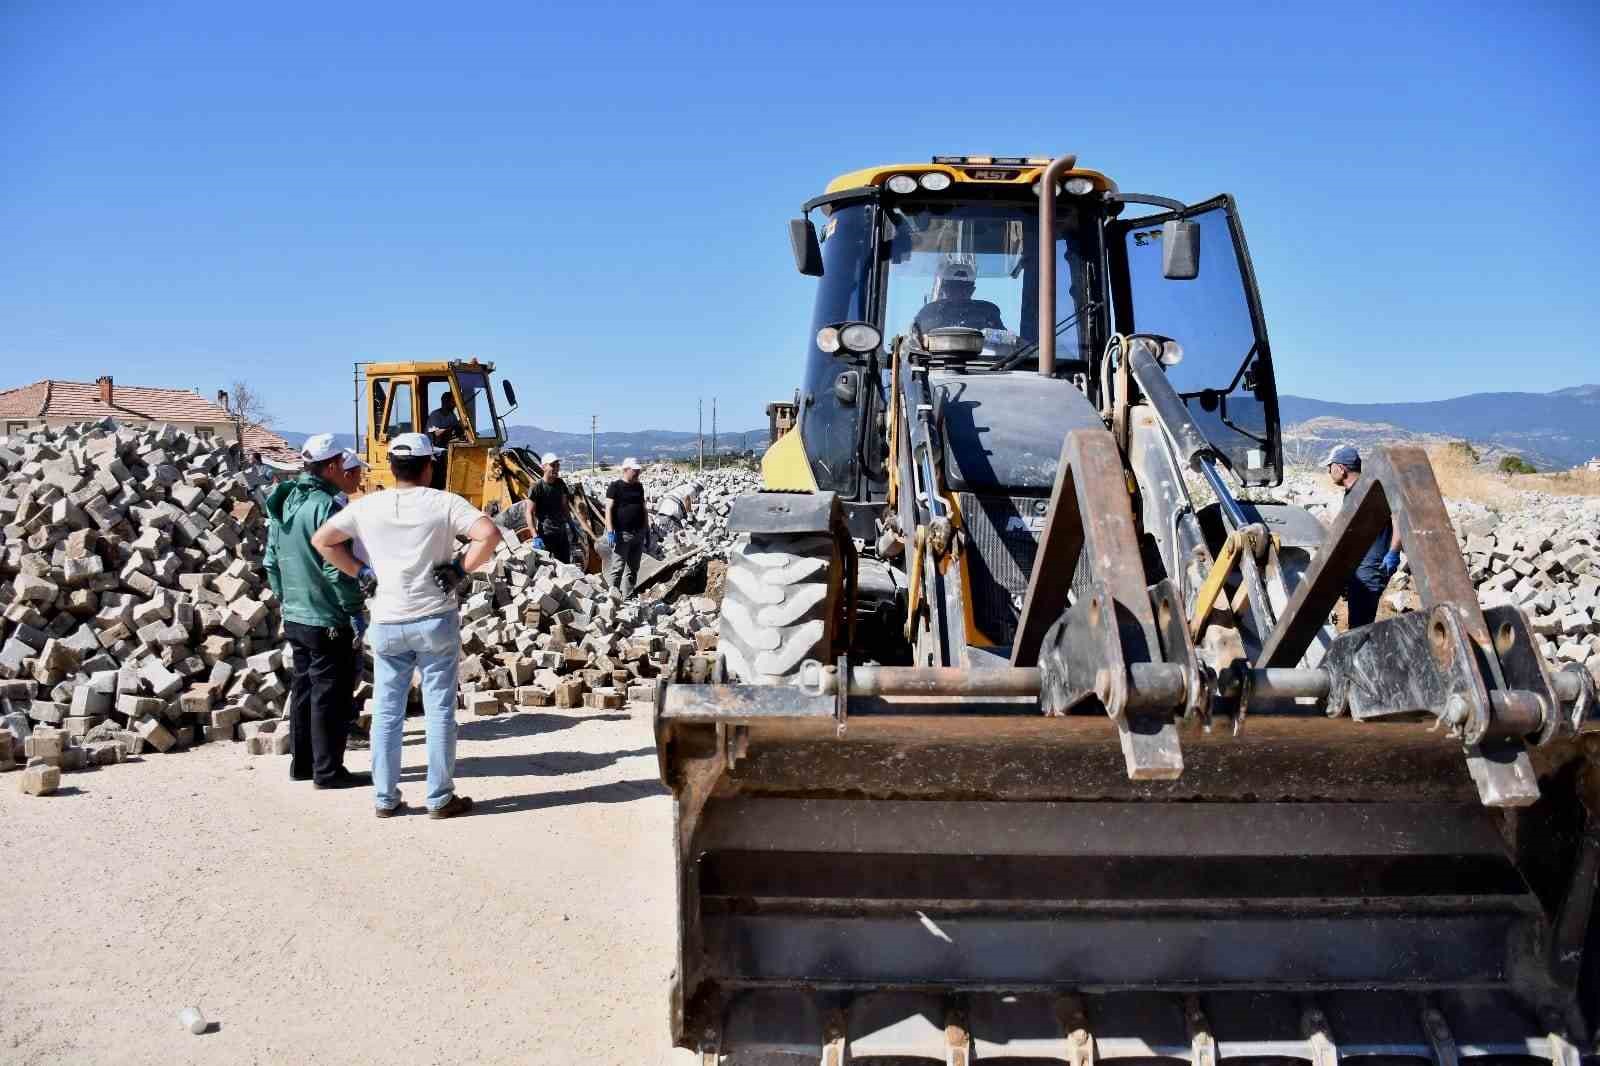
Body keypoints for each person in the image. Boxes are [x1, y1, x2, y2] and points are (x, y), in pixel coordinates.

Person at [311, 432, 502, 819]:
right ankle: (440, 797)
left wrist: (359, 571)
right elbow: (490, 534)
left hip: (387, 620)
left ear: (393, 467)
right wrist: (460, 568)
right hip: (434, 618)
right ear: (429, 465)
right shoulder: (445, 503)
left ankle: (385, 798)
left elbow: (323, 540)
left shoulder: (368, 506)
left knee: (386, 711)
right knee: (439, 711)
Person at [264, 432, 371, 789]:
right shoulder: (327, 508)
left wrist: (287, 600)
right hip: (327, 616)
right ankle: (328, 771)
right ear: (329, 466)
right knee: (331, 693)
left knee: (305, 689)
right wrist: (354, 607)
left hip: (296, 613)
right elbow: (335, 568)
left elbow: (271, 561)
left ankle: (303, 764)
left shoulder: (285, 502)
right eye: (341, 463)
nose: (345, 468)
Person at [1327, 444, 1402, 629]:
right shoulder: (1351, 493)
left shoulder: (1372, 488)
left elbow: (1399, 517)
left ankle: (1360, 657)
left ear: (1340, 468)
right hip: (1358, 568)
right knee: (1357, 621)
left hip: (1372, 567)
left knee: (1361, 625)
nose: (1329, 472)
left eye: (1330, 467)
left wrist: (1394, 551)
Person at [913, 257, 1006, 337]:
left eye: (964, 288)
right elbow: (915, 340)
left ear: (972, 290)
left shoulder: (987, 312)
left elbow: (1002, 340)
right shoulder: (929, 312)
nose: (958, 292)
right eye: (953, 287)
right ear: (945, 289)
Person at [605, 457, 649, 596]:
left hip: (638, 533)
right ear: (626, 470)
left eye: (638, 471)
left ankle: (628, 597)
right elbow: (609, 509)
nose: (637, 473)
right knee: (618, 567)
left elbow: (643, 508)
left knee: (633, 568)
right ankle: (613, 597)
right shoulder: (615, 487)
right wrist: (611, 531)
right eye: (634, 470)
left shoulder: (639, 487)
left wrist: (646, 528)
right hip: (622, 534)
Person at [530, 453, 576, 564]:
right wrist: (535, 535)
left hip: (561, 533)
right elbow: (529, 512)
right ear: (543, 467)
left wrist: (571, 525)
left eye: (557, 465)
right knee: (549, 567)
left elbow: (565, 506)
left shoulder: (560, 484)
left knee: (565, 566)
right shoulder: (537, 487)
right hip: (546, 534)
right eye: (552, 465)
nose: (556, 468)